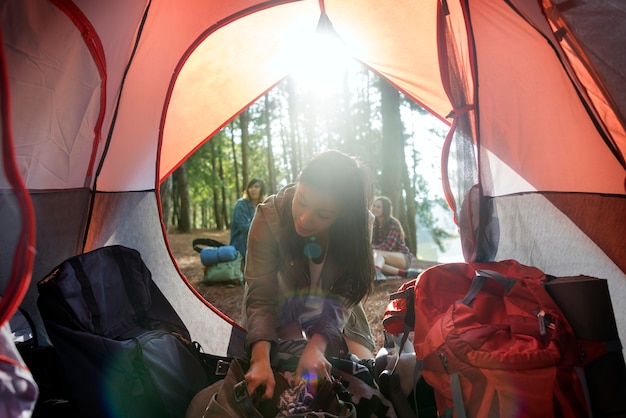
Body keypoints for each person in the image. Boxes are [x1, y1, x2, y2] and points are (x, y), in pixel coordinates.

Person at [242, 150, 376, 401]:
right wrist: (259, 358)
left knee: (365, 375)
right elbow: (261, 294)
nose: (304, 218)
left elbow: (346, 294)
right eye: (301, 201)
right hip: (282, 306)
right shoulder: (268, 218)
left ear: (343, 215)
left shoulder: (359, 225)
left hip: (337, 310)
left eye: (323, 214)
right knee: (285, 373)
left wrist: (318, 344)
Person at [371, 196, 421, 279]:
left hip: (402, 258)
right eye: (374, 206)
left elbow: (387, 247)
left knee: (376, 254)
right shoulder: (373, 224)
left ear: (385, 210)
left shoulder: (393, 223)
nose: (375, 208)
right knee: (372, 260)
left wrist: (372, 251)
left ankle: (376, 273)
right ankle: (405, 273)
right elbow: (370, 243)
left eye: (378, 207)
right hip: (380, 258)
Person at [229, 178, 266, 261]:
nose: (253, 189)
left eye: (256, 187)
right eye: (251, 187)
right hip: (241, 247)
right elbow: (244, 227)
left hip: (257, 247)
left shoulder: (263, 206)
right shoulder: (241, 204)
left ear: (262, 190)